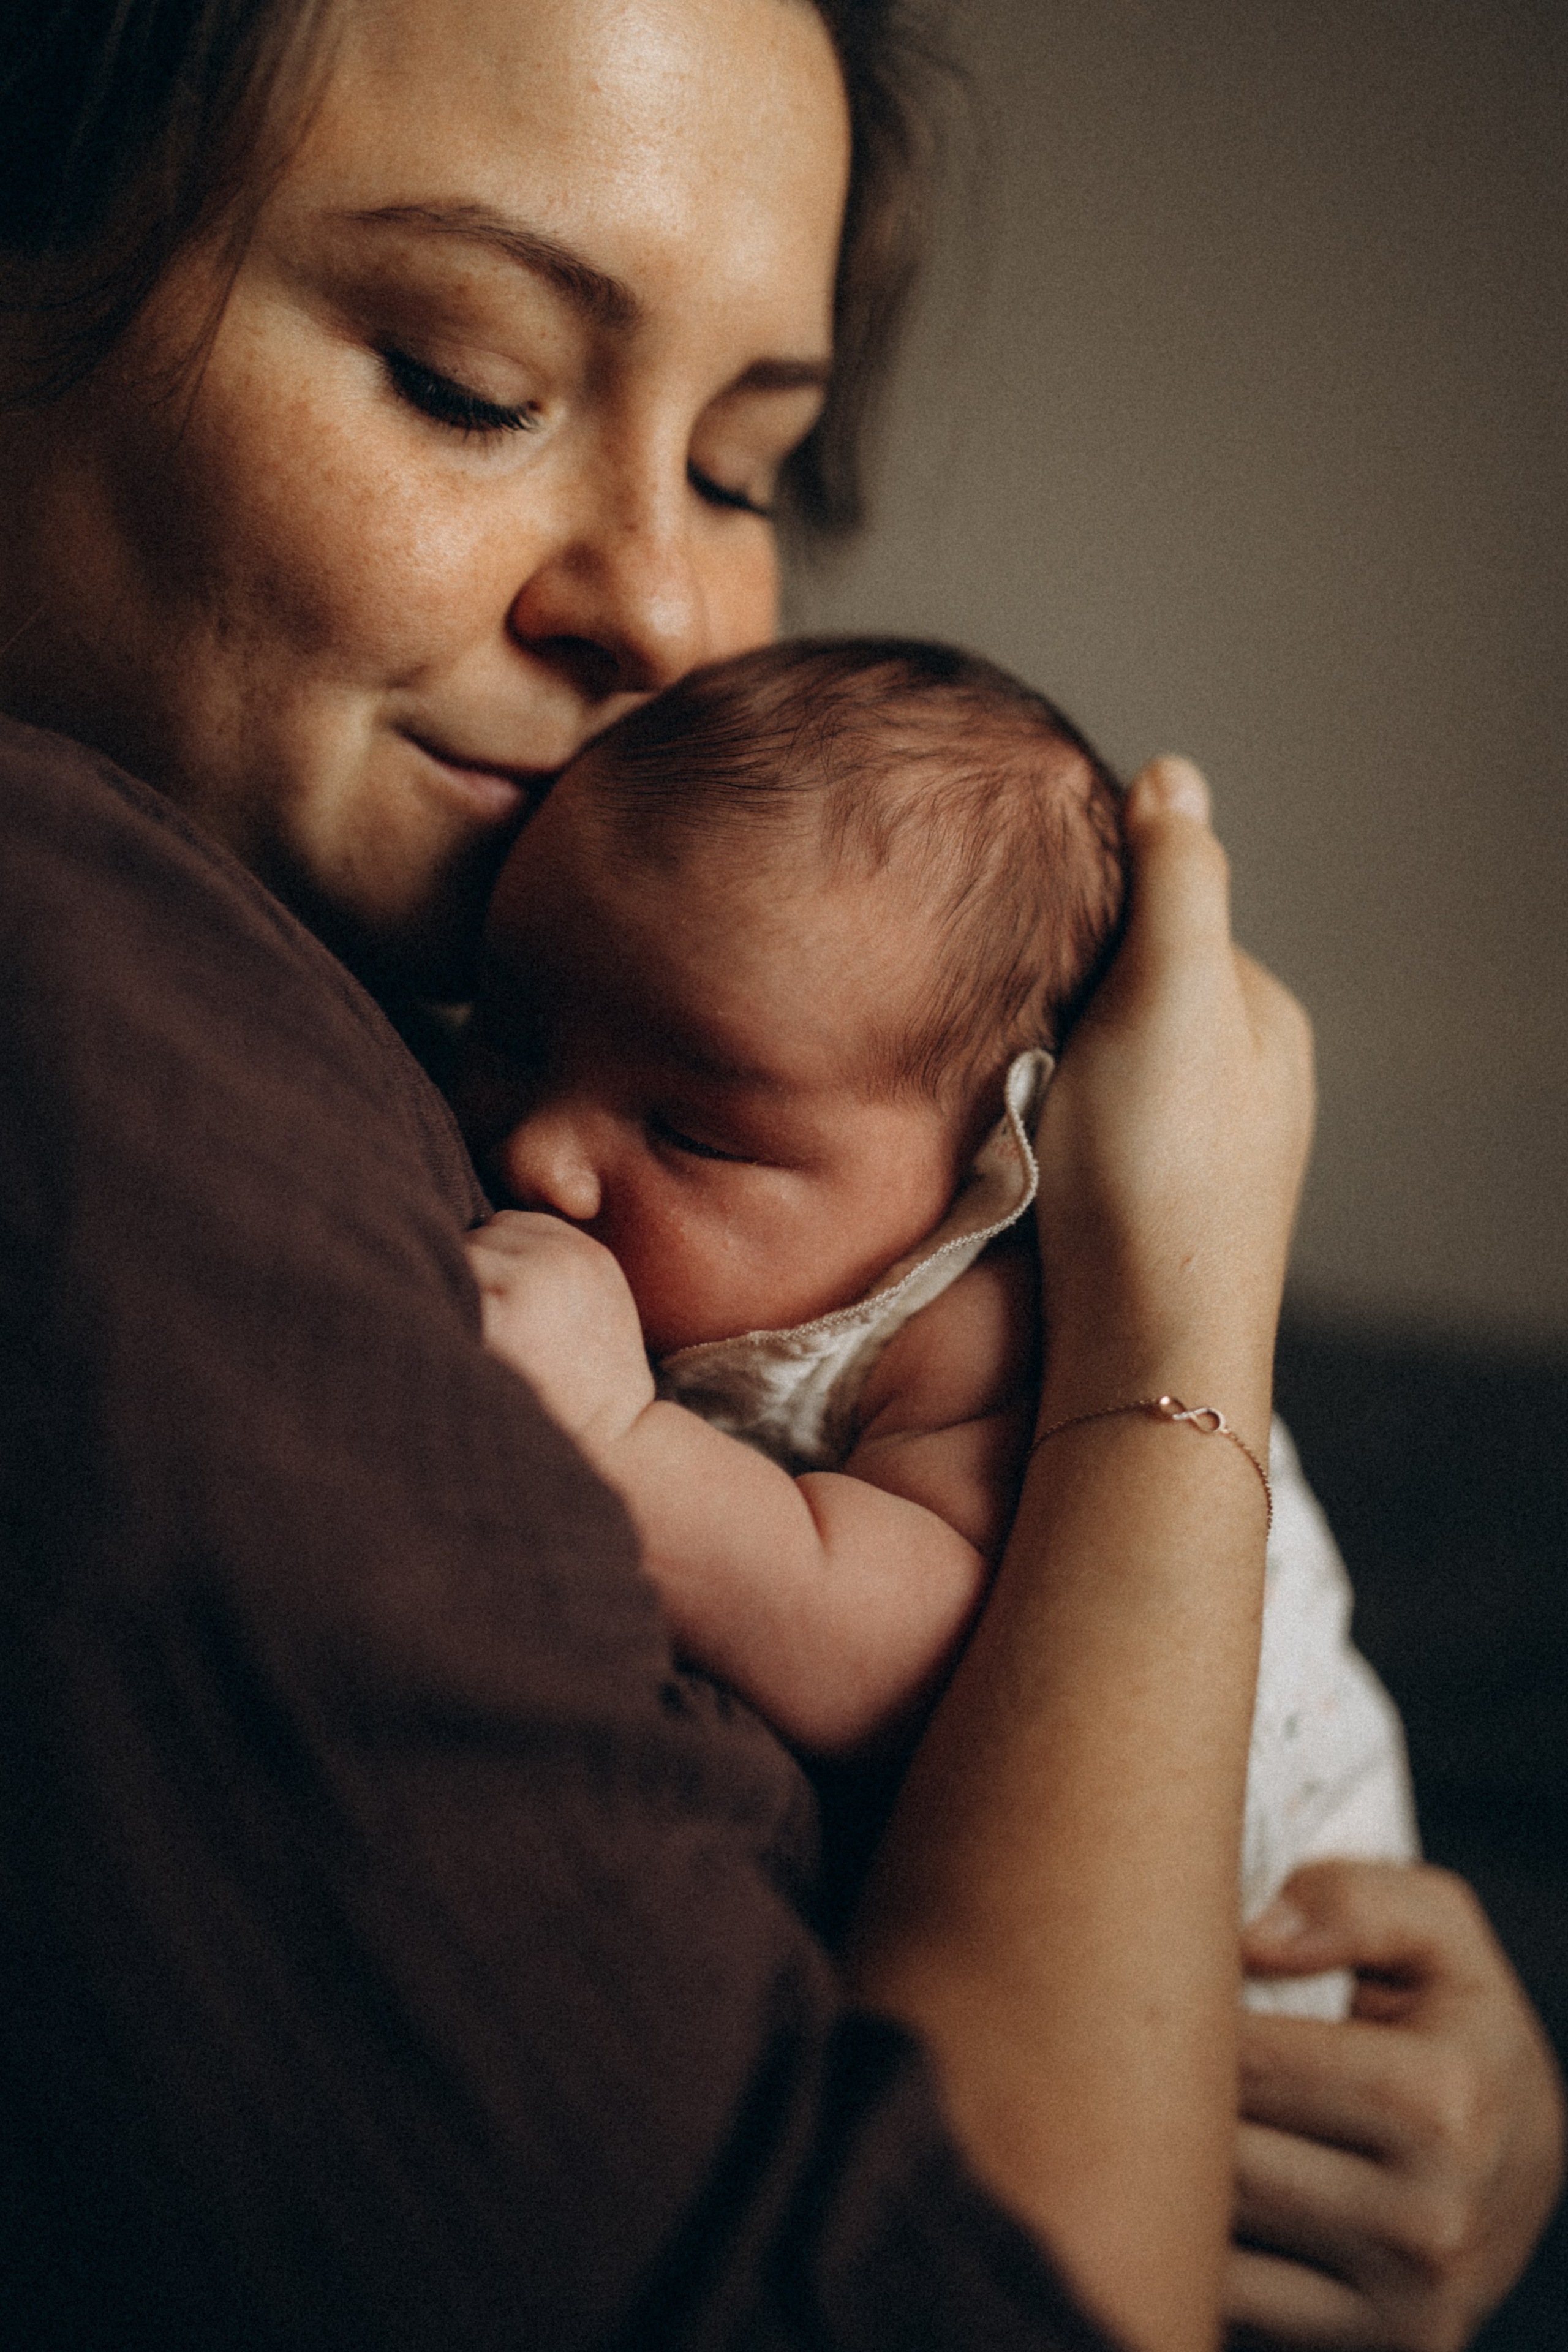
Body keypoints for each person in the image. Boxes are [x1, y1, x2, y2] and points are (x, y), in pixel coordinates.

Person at [0, 4, 1559, 2350]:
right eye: (467, 375)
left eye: (747, 469)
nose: (657, 609)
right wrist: (1185, 1305)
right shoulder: (90, 1010)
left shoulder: (379, 973)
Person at [462, 631, 1417, 2019]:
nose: (540, 1152)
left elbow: (904, 1658)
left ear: (987, 1171)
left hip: (1240, 1932)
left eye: (692, 1130)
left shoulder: (965, 1320)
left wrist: (620, 1441)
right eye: (510, 1033)